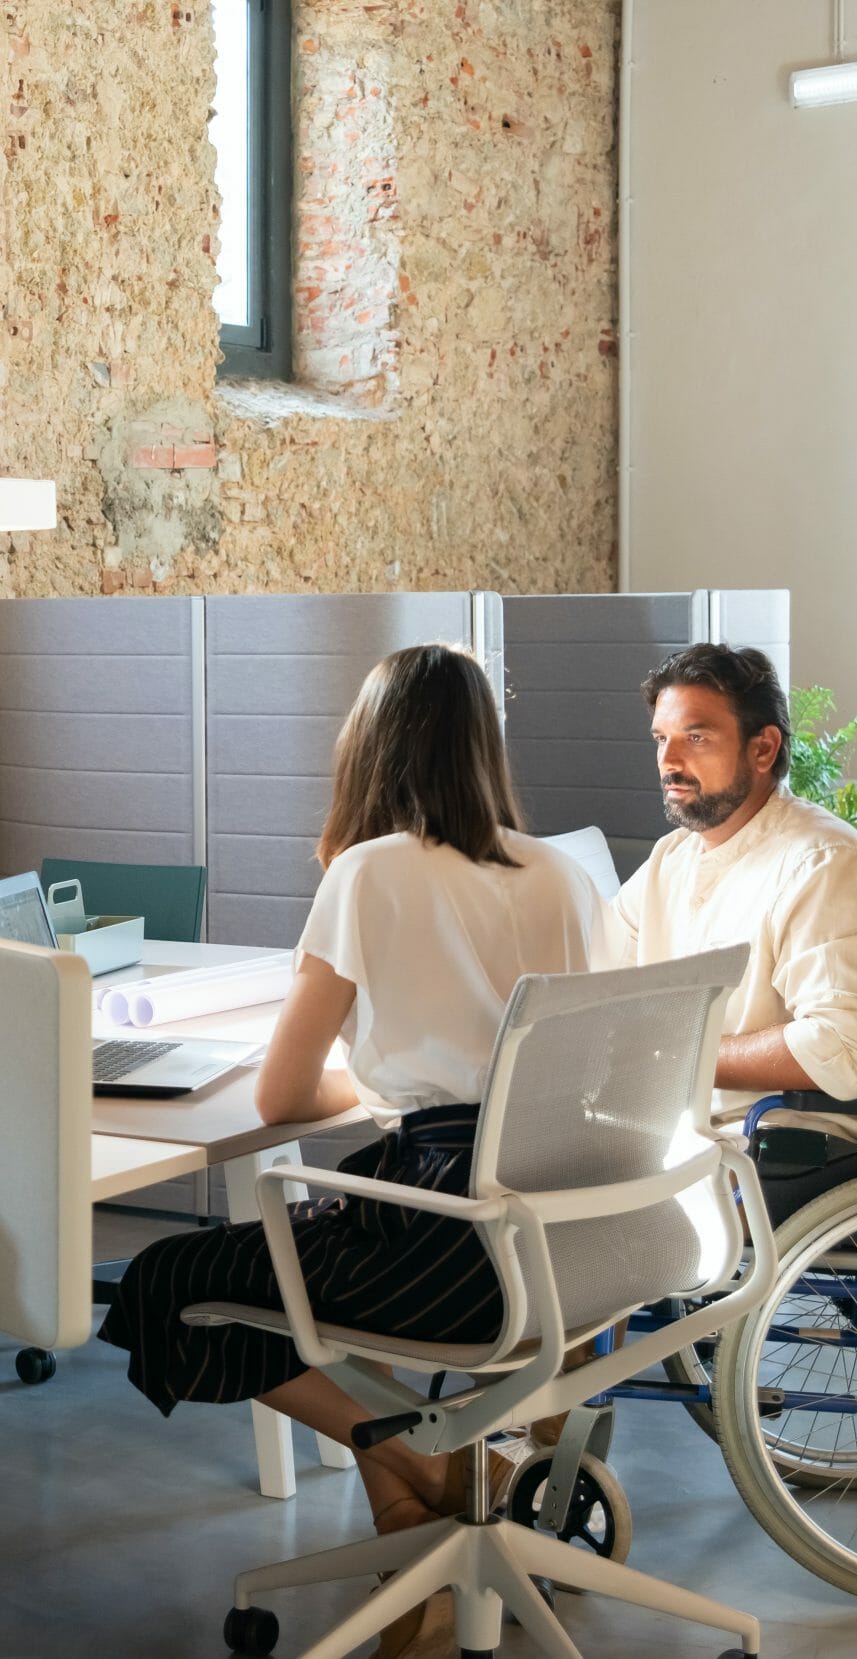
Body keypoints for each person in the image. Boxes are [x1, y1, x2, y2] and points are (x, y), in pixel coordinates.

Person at [98, 644, 603, 1659]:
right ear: (482, 749)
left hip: (444, 1247)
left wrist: (374, 1084)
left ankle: (427, 1466)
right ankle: (414, 1518)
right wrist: (405, 1084)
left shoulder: (368, 874)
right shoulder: (562, 873)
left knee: (166, 1281)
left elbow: (285, 1093)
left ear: (369, 751)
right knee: (337, 1257)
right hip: (565, 1241)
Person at [608, 643, 857, 1147]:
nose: (669, 761)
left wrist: (679, 1054)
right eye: (661, 739)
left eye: (696, 737)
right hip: (706, 1125)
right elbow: (599, 980)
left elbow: (842, 1047)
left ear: (762, 749)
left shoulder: (826, 863)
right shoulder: (672, 858)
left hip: (805, 1138)